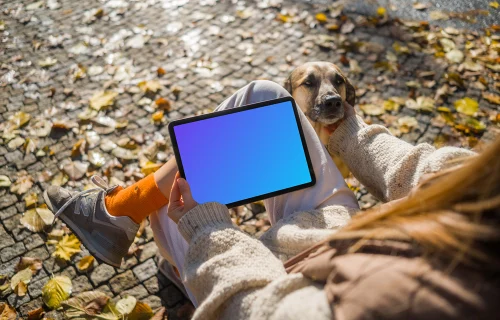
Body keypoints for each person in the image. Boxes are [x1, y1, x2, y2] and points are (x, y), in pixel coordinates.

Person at [45, 81, 500, 319]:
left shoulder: (420, 304)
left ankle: (137, 226)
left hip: (279, 279)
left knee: (178, 203)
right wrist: (343, 130)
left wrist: (207, 230)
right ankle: (123, 211)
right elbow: (428, 173)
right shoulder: (488, 200)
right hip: (336, 234)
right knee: (264, 100)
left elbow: (263, 311)